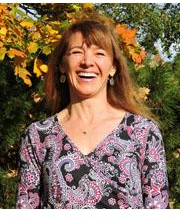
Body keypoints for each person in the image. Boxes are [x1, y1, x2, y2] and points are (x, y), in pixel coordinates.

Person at [16, 18, 169, 209]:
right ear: (62, 65)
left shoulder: (143, 132)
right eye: (77, 52)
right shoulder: (37, 136)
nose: (87, 62)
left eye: (99, 53)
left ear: (113, 67)